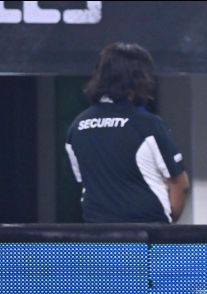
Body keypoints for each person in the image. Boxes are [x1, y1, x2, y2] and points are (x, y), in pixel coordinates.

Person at [65, 42, 189, 223]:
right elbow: (180, 184)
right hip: (146, 238)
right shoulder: (148, 125)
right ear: (139, 78)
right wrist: (166, 227)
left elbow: (84, 181)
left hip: (97, 239)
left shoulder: (77, 126)